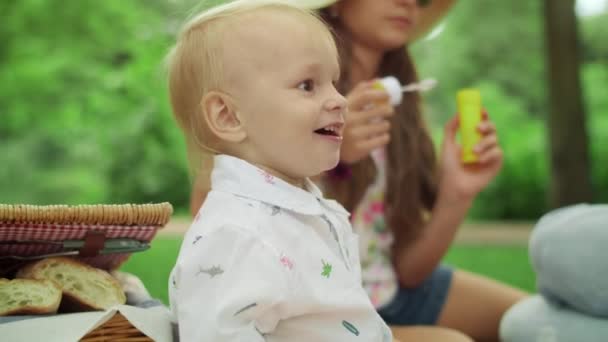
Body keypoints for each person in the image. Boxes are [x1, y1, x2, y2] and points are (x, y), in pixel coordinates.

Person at [165, 1, 409, 340]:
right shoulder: (237, 235)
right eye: (308, 85)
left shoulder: (298, 208)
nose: (339, 99)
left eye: (334, 82)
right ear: (228, 116)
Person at [307, 0, 527, 341]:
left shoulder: (399, 107)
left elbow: (410, 272)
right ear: (335, 4)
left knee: (537, 321)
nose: (410, 2)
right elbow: (223, 209)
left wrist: (457, 193)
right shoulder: (291, 86)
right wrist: (327, 154)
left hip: (389, 292)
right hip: (316, 308)